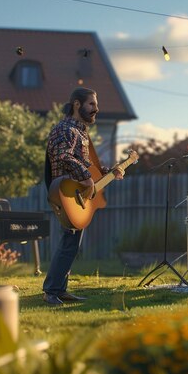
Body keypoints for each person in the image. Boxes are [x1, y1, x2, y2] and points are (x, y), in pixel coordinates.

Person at [43, 87, 124, 305]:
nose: (96, 110)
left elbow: (86, 164)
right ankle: (51, 290)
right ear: (77, 104)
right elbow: (63, 156)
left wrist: (108, 171)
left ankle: (59, 289)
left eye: (96, 106)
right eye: (91, 105)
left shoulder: (80, 133)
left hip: (77, 195)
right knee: (69, 242)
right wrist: (86, 177)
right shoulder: (65, 129)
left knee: (71, 243)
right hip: (66, 193)